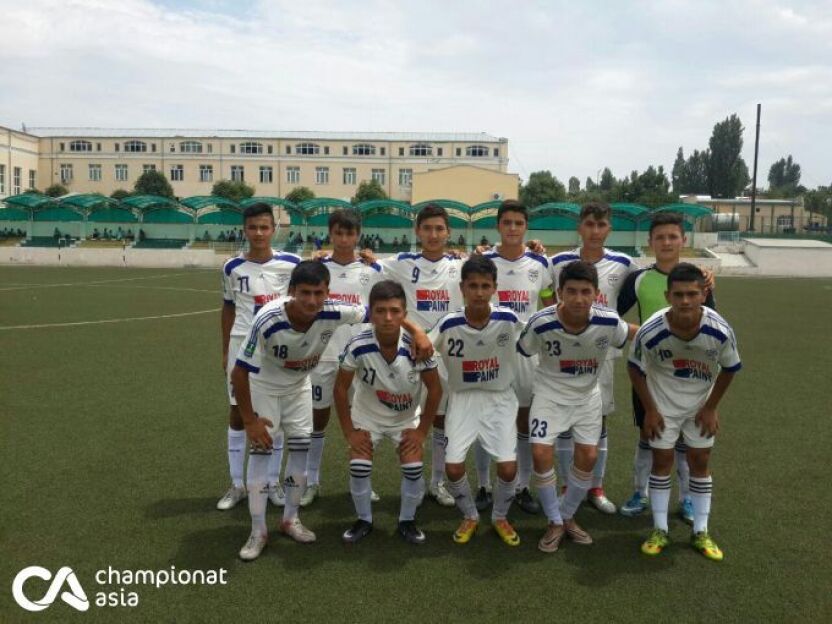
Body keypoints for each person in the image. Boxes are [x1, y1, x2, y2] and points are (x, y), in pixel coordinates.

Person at [231, 261, 433, 560]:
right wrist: (249, 421)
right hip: (265, 387)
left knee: (300, 450)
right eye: (305, 293)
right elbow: (239, 372)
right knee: (262, 451)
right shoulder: (267, 319)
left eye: (319, 293)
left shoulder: (335, 310)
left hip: (299, 386)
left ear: (328, 292)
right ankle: (258, 531)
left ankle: (290, 519)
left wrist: (417, 331)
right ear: (291, 291)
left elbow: (383, 314)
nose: (312, 300)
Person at [518, 260, 633, 552]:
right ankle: (554, 521)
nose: (579, 299)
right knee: (540, 453)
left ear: (596, 293)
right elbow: (524, 348)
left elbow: (631, 333)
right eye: (571, 291)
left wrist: (671, 327)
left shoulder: (608, 320)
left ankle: (567, 516)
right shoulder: (541, 322)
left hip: (587, 398)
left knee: (589, 456)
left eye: (585, 291)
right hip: (548, 396)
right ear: (560, 293)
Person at [629, 263, 740, 561]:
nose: (685, 301)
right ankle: (660, 529)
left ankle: (701, 531)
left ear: (703, 295)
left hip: (699, 405)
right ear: (668, 296)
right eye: (678, 295)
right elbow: (635, 368)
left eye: (692, 294)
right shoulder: (651, 330)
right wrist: (650, 410)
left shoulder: (719, 330)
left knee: (699, 461)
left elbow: (730, 368)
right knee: (662, 461)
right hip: (663, 404)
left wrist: (711, 408)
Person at [617, 212, 716, 521]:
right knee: (649, 432)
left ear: (683, 240)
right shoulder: (639, 279)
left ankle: (686, 499)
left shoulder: (699, 280)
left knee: (686, 439)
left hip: (688, 374)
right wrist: (637, 333)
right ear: (651, 242)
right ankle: (640, 493)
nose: (667, 242)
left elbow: (711, 324)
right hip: (649, 373)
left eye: (673, 236)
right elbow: (612, 317)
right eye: (660, 237)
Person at [335, 280, 442, 545]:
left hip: (404, 418)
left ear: (405, 314)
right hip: (367, 417)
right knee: (359, 466)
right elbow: (340, 388)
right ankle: (364, 520)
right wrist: (349, 432)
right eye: (380, 311)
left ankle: (407, 521)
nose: (388, 318)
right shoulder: (358, 345)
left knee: (413, 468)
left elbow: (435, 390)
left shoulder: (419, 346)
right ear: (371, 313)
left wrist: (421, 432)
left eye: (395, 311)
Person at [549, 202, 636, 514]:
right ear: (580, 227)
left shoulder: (624, 263)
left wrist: (706, 276)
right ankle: (566, 485)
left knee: (599, 419)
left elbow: (657, 279)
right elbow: (540, 289)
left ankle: (596, 487)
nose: (595, 231)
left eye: (601, 225)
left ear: (609, 228)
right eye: (589, 224)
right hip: (562, 352)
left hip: (602, 355)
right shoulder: (557, 262)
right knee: (563, 419)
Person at [433, 256, 524, 546]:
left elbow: (535, 333)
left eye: (485, 286)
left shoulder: (508, 319)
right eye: (473, 286)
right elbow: (424, 344)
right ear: (462, 288)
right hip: (462, 400)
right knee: (453, 468)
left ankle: (500, 516)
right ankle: (470, 515)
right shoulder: (449, 322)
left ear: (495, 288)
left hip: (500, 399)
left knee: (508, 469)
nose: (479, 293)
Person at [217, 203, 302, 512]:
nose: (258, 233)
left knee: (274, 416)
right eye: (252, 227)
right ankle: (237, 484)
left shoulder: (292, 264)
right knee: (237, 412)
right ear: (245, 230)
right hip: (242, 345)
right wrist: (225, 349)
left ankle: (272, 482)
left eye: (264, 227)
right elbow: (228, 308)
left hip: (276, 347)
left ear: (274, 230)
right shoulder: (231, 267)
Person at [379, 203, 465, 507]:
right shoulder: (401, 263)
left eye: (439, 228)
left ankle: (437, 482)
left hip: (448, 354)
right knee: (405, 418)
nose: (433, 234)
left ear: (448, 232)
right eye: (427, 228)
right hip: (411, 352)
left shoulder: (460, 265)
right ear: (417, 231)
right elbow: (365, 265)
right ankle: (404, 484)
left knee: (441, 419)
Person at [472, 200, 554, 514]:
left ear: (526, 227)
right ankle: (483, 485)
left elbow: (548, 306)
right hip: (489, 351)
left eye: (518, 223)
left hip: (526, 353)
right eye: (507, 222)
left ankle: (521, 487)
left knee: (524, 419)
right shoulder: (482, 260)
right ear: (498, 226)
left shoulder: (540, 263)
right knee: (485, 418)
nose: (512, 228)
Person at [303, 209, 382, 507]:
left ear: (358, 235)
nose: (345, 239)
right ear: (331, 233)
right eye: (339, 233)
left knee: (362, 422)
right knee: (317, 420)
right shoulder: (317, 266)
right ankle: (311, 481)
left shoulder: (373, 270)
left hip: (359, 358)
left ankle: (361, 483)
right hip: (322, 355)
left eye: (350, 233)